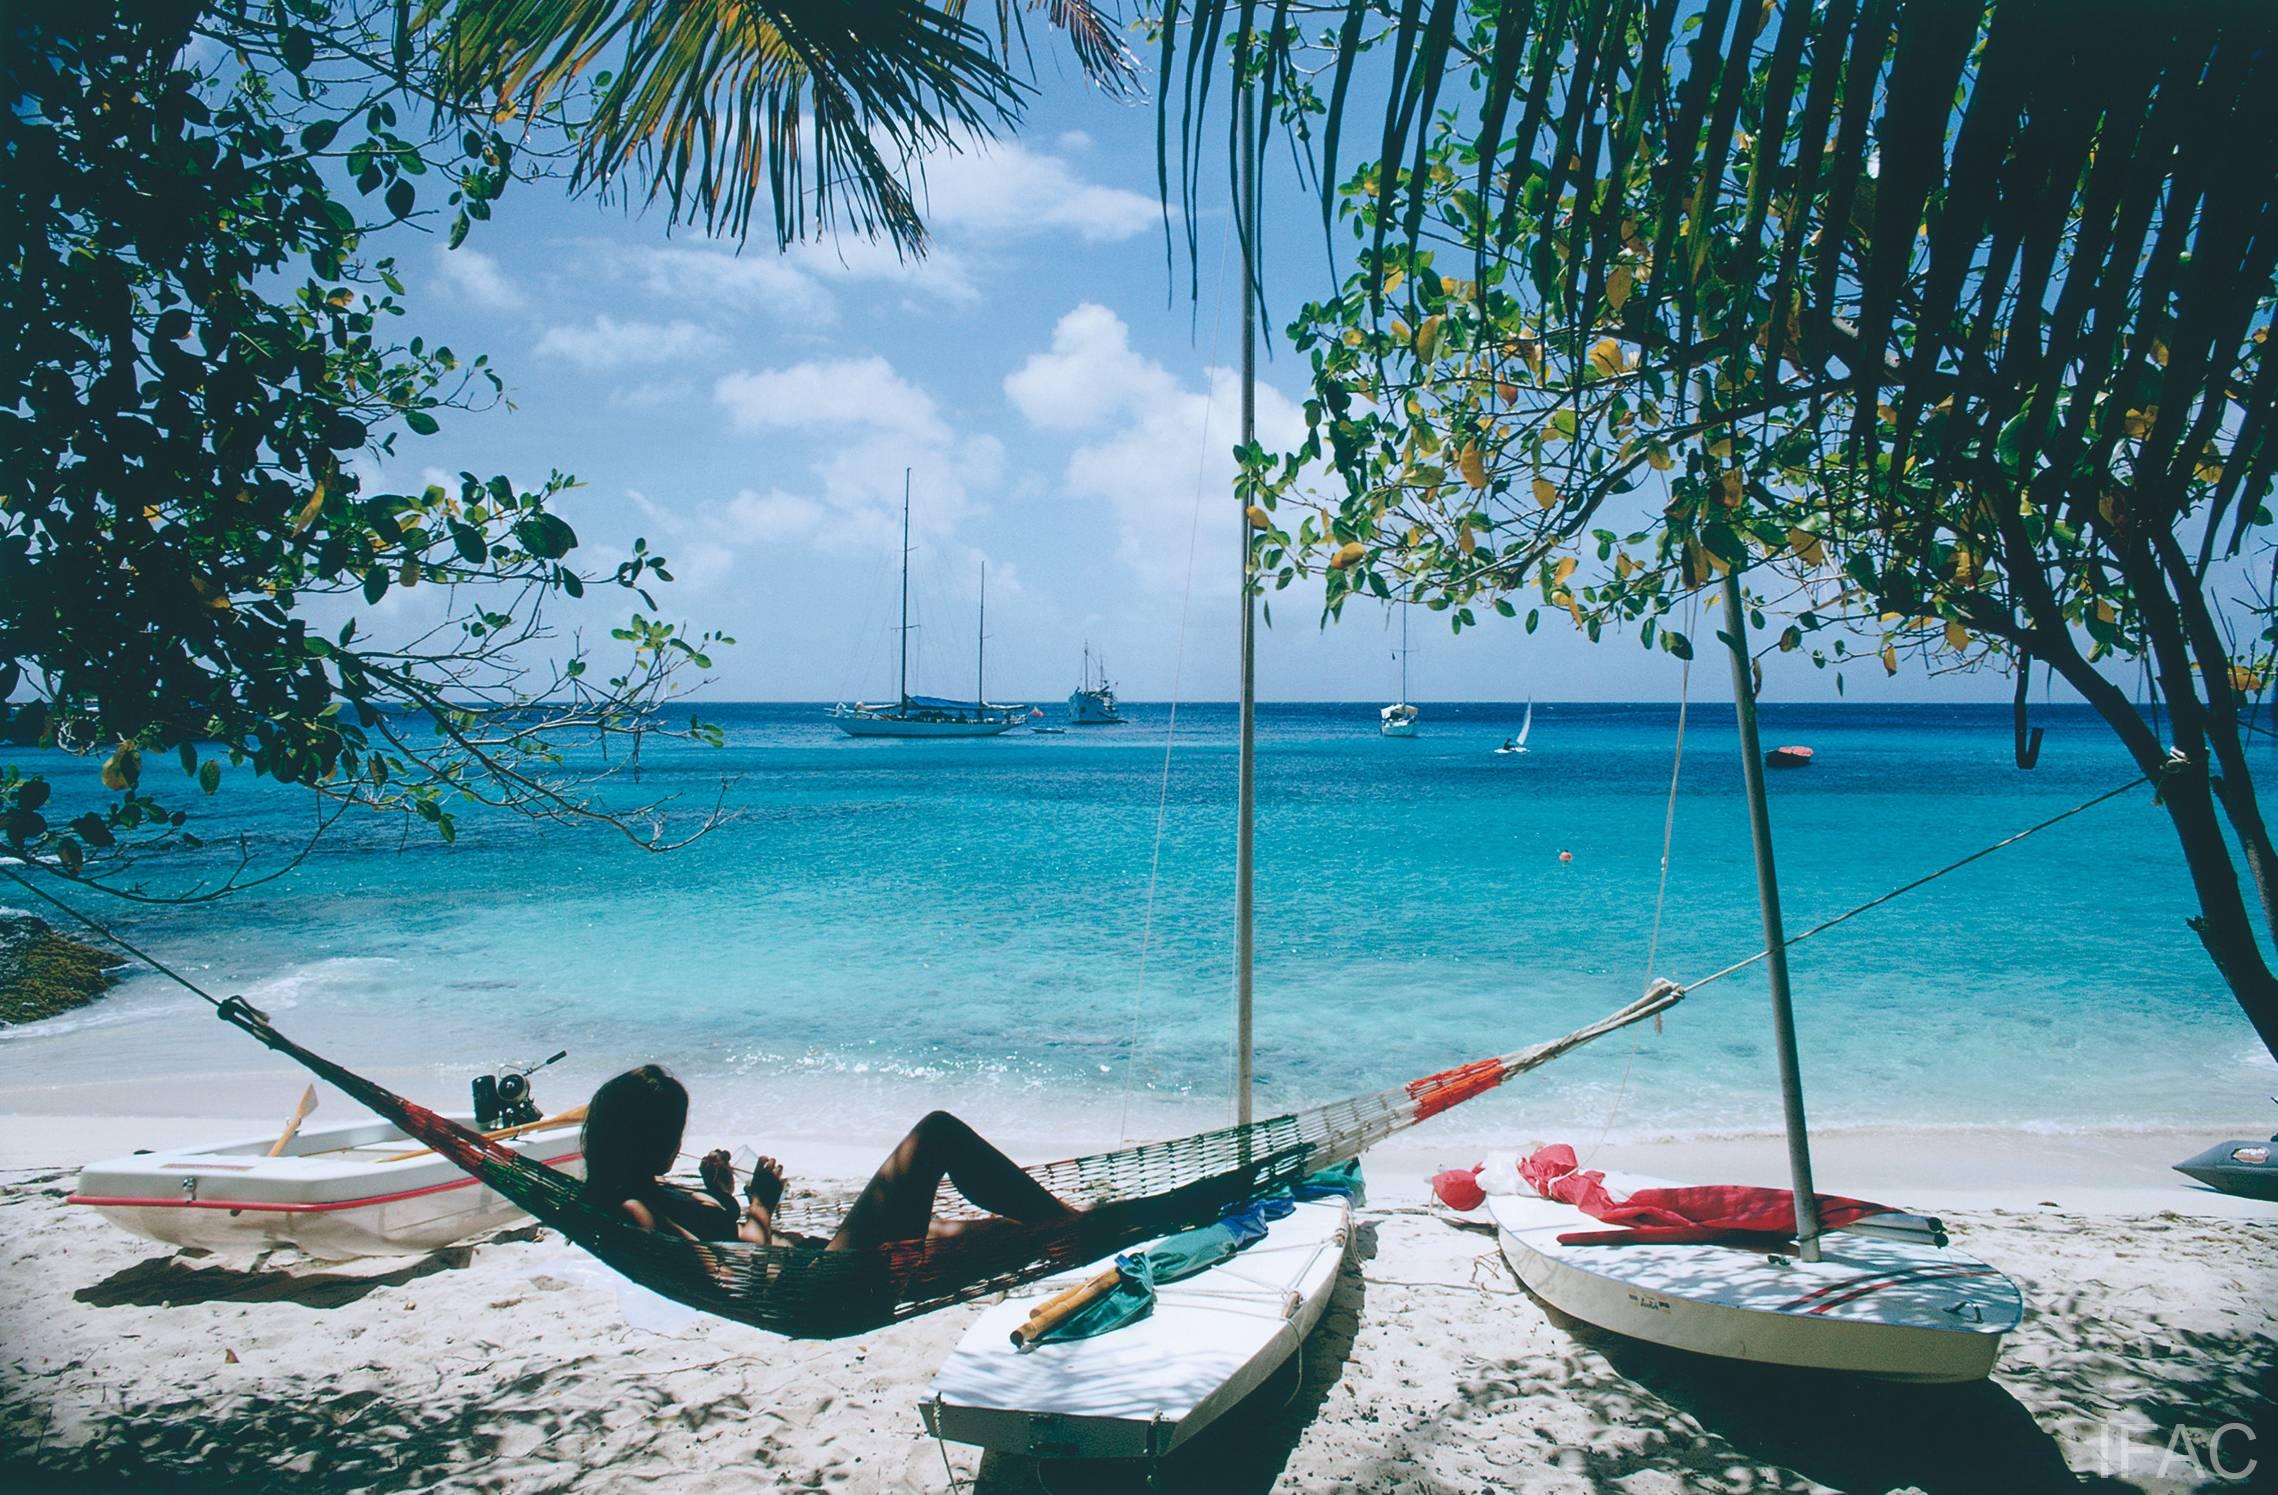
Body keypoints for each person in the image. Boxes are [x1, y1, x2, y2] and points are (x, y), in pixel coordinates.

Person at [580, 1065, 1076, 1251]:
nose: (676, 1144)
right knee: (937, 1131)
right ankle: (1080, 1226)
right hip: (826, 1282)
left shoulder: (642, 1189)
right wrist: (762, 1204)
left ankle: (1071, 1225)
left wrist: (723, 1198)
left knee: (1007, 1233)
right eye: (673, 1133)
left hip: (820, 1255)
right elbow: (737, 1268)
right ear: (646, 1140)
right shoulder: (633, 1210)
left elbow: (719, 1240)